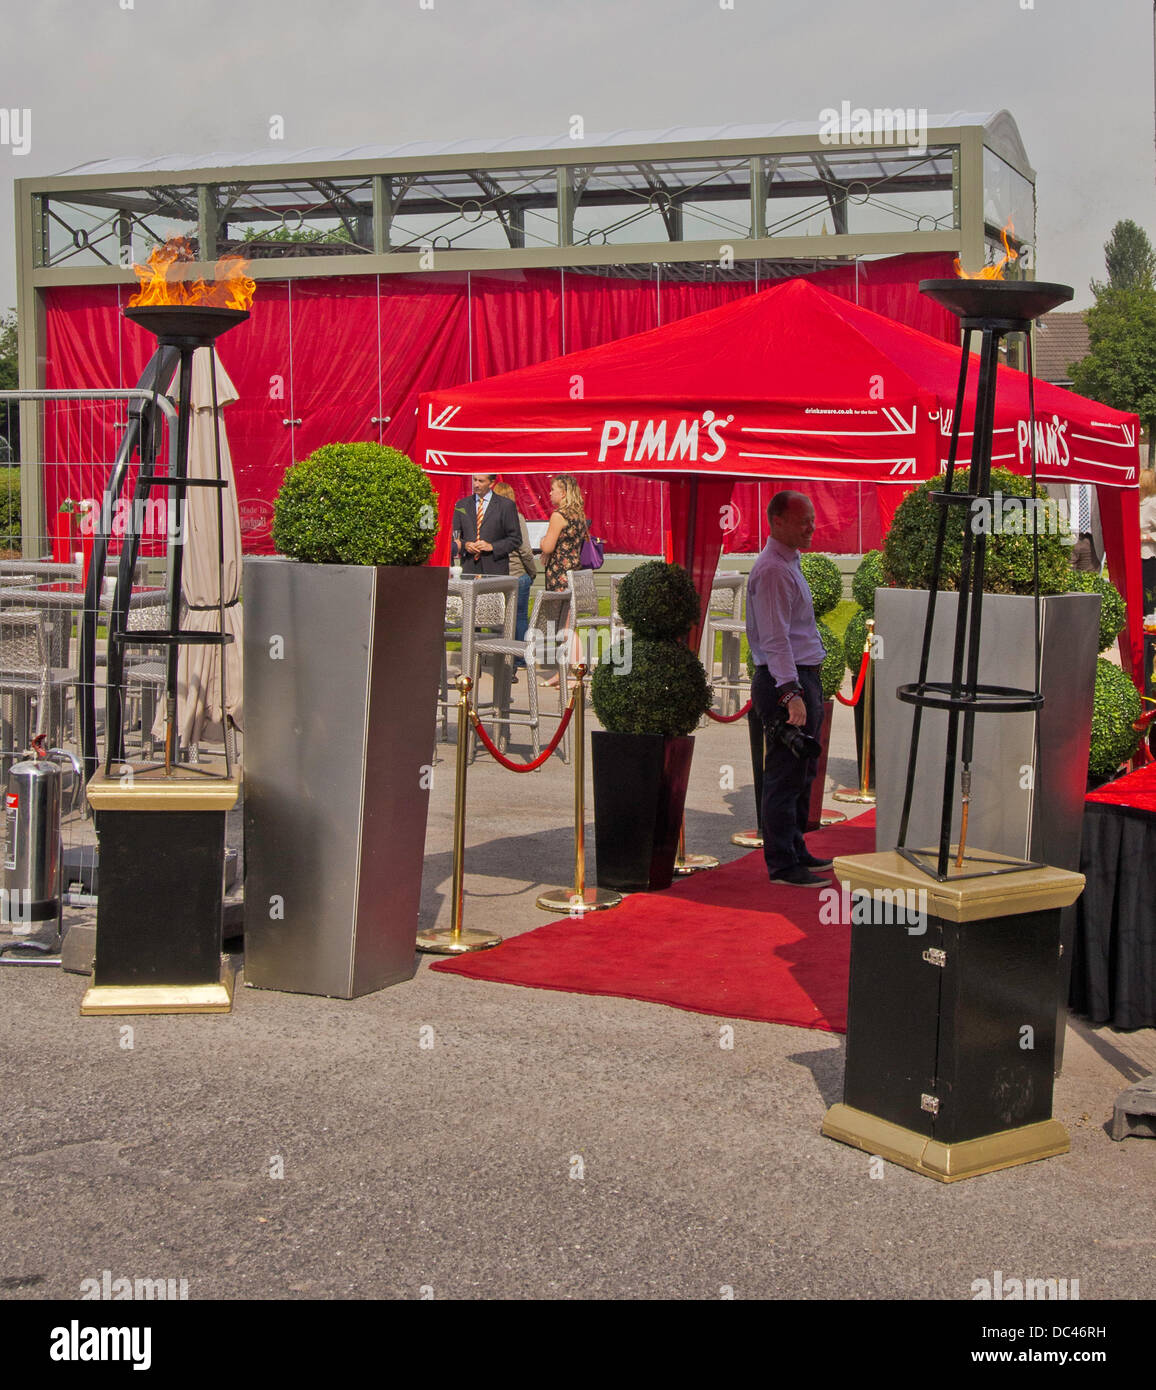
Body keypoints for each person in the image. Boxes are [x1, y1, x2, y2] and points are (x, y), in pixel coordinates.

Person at [746, 490, 832, 888]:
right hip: (787, 678)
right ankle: (782, 864)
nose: (811, 526)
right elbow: (776, 638)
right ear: (777, 521)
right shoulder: (774, 571)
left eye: (811, 518)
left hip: (799, 676)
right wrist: (790, 692)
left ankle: (795, 849)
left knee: (800, 772)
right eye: (803, 520)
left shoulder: (787, 563)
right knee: (784, 775)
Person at [537, 473, 589, 688]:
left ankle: (577, 672)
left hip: (559, 576)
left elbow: (548, 546)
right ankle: (563, 671)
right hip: (573, 572)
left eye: (553, 489)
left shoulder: (559, 515)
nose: (550, 493)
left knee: (566, 626)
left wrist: (542, 542)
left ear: (564, 492)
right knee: (565, 624)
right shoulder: (578, 515)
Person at [491, 481, 538, 674]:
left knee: (499, 618)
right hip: (518, 573)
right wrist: (532, 572)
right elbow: (525, 550)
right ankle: (519, 657)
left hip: (497, 576)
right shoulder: (517, 518)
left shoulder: (489, 520)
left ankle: (500, 654)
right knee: (519, 617)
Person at [451, 474, 521, 576]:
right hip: (469, 569)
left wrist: (492, 546)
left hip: (495, 570)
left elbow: (516, 539)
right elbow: (454, 536)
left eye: (481, 481)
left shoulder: (505, 505)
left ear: (491, 483)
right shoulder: (462, 505)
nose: (476, 484)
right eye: (474, 480)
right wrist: (465, 545)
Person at [1140, 469, 1156, 611]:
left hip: (1148, 556)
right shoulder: (1136, 502)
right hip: (1133, 555)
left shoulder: (1153, 504)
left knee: (1148, 593)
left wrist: (1145, 537)